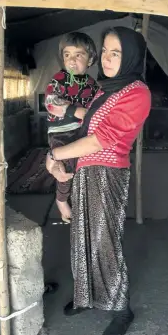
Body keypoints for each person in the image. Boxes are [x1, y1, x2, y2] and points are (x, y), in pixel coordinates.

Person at [45, 26, 151, 335]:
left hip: (108, 173)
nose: (106, 57)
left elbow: (101, 138)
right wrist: (67, 111)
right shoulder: (107, 90)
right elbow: (90, 117)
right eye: (104, 50)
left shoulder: (137, 92)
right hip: (85, 169)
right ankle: (85, 296)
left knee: (105, 241)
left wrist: (56, 153)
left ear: (130, 56)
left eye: (115, 52)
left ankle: (121, 308)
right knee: (81, 237)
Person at [45, 32, 99, 223]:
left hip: (80, 131)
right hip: (61, 131)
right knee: (65, 166)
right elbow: (50, 103)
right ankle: (61, 200)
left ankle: (82, 200)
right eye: (67, 55)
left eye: (79, 55)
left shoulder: (93, 85)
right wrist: (75, 111)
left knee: (86, 162)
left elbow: (97, 107)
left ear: (90, 59)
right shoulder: (59, 80)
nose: (72, 60)